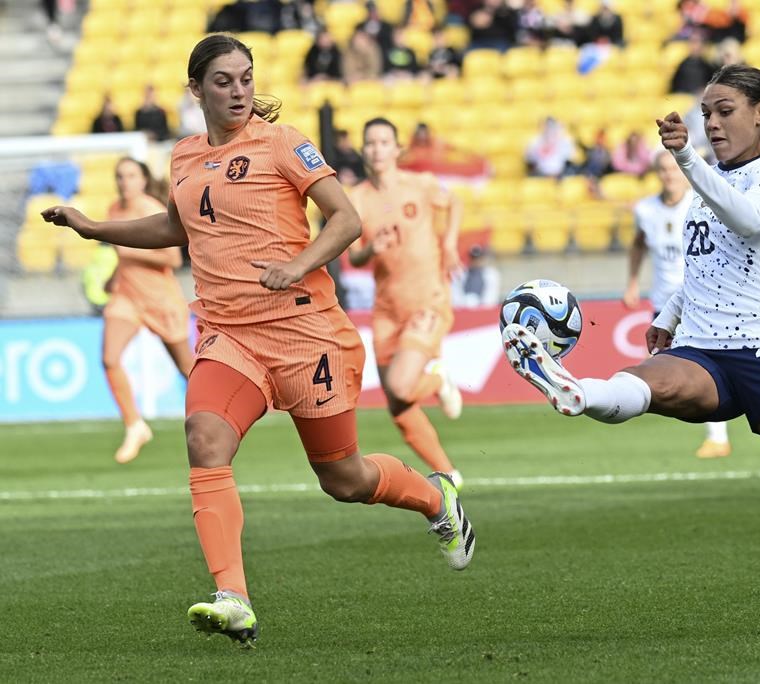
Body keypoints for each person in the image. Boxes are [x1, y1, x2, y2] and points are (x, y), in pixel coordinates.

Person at [42, 34, 475, 647]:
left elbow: (346, 219)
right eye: (224, 81)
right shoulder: (185, 156)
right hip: (229, 333)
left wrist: (298, 265)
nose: (239, 90)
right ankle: (234, 598)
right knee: (204, 436)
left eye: (246, 78)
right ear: (196, 90)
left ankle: (437, 501)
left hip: (303, 330)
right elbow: (176, 225)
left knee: (343, 479)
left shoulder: (282, 141)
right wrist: (94, 229)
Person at [501, 64, 760, 635]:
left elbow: (749, 220)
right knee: (653, 383)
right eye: (706, 113)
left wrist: (687, 161)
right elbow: (704, 266)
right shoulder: (706, 189)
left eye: (724, 110)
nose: (712, 122)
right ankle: (575, 389)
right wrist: (668, 313)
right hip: (704, 346)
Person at [347, 117, 466, 489]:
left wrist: (448, 243)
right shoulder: (357, 199)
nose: (376, 149)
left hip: (427, 300)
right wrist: (371, 248)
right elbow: (354, 257)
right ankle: (449, 473)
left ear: (397, 149)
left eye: (384, 142)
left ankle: (438, 378)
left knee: (401, 386)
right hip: (386, 310)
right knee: (397, 406)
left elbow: (456, 202)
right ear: (363, 150)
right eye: (370, 143)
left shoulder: (421, 185)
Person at [623, 150, 731, 458]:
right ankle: (713, 428)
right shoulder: (645, 210)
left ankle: (718, 436)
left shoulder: (699, 205)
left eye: (673, 168)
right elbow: (638, 243)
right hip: (663, 302)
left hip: (699, 297)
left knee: (704, 362)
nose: (669, 174)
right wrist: (632, 281)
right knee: (672, 367)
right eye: (662, 169)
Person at [101, 158, 193, 464]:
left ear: (142, 180)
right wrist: (114, 276)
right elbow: (122, 257)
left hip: (160, 299)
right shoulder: (114, 210)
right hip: (127, 296)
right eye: (119, 176)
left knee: (188, 369)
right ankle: (135, 425)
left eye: (129, 175)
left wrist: (130, 251)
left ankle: (221, 414)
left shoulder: (153, 209)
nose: (123, 181)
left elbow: (172, 260)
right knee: (109, 358)